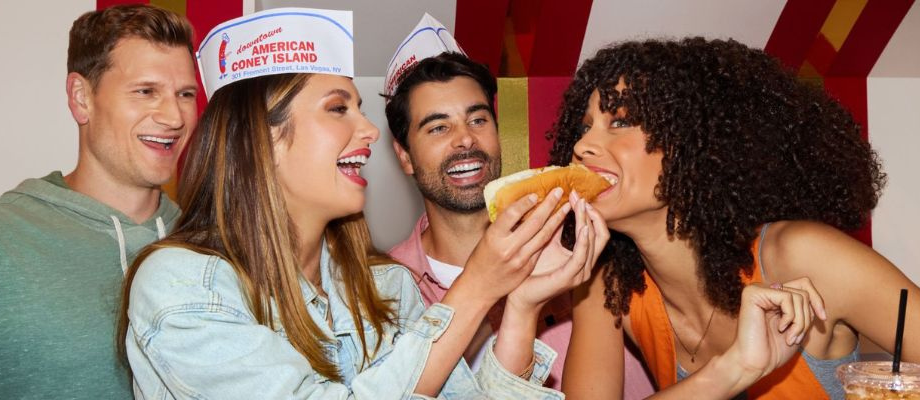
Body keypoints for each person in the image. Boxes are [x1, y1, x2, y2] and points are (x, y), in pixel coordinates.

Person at [119, 8, 600, 399]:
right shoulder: (182, 285)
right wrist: (478, 285)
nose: (369, 131)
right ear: (262, 141)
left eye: (360, 109)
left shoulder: (384, 286)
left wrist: (521, 305)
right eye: (337, 108)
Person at [553, 38, 920, 399]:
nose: (582, 146)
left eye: (619, 121)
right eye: (585, 127)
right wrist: (730, 371)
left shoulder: (802, 256)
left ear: (692, 145)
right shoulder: (607, 283)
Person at [0, 5, 195, 399]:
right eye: (146, 91)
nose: (174, 116)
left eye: (185, 94)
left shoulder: (214, 243)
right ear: (81, 97)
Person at [383, 47, 657, 395]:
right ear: (405, 156)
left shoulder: (585, 240)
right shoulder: (379, 292)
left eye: (478, 120)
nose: (465, 139)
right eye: (438, 127)